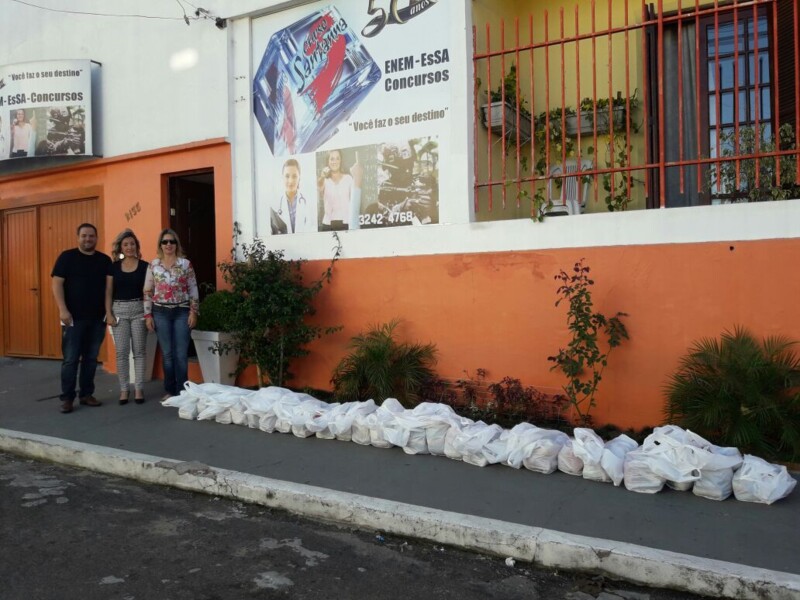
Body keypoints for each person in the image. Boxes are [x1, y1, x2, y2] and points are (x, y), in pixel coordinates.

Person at [51, 223, 112, 413]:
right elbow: (57, 284)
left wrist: (108, 312)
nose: (88, 239)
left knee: (91, 358)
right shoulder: (66, 257)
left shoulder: (104, 260)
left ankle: (86, 394)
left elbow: (108, 289)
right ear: (78, 237)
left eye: (91, 236)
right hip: (73, 319)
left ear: (96, 238)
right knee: (70, 359)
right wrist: (63, 310)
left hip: (96, 318)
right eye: (84, 236)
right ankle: (67, 398)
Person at [143, 229, 199, 402]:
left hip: (181, 311)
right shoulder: (154, 265)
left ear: (176, 244)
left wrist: (193, 312)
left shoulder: (185, 264)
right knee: (167, 354)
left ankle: (182, 391)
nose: (168, 244)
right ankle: (169, 389)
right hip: (160, 312)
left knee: (181, 353)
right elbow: (147, 290)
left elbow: (193, 288)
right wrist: (148, 315)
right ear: (160, 245)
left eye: (172, 241)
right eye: (165, 241)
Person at [105, 229, 149, 405]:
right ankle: (124, 389)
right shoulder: (113, 267)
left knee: (139, 352)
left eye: (132, 244)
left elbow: (148, 291)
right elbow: (108, 291)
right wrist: (108, 313)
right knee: (121, 352)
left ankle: (138, 388)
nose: (129, 247)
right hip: (119, 311)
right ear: (121, 248)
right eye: (126, 244)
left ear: (136, 246)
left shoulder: (145, 266)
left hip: (139, 310)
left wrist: (148, 313)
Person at [318, 149, 362, 231]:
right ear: (328, 162)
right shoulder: (324, 180)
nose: (335, 161)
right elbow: (319, 185)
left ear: (340, 161)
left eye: (337, 158)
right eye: (332, 159)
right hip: (328, 224)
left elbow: (354, 201)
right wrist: (322, 176)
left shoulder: (348, 178)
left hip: (346, 223)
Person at [271, 158, 317, 234]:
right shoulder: (275, 204)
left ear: (299, 178)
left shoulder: (308, 202)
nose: (291, 181)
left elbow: (313, 228)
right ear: (282, 177)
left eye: (294, 176)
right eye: (287, 176)